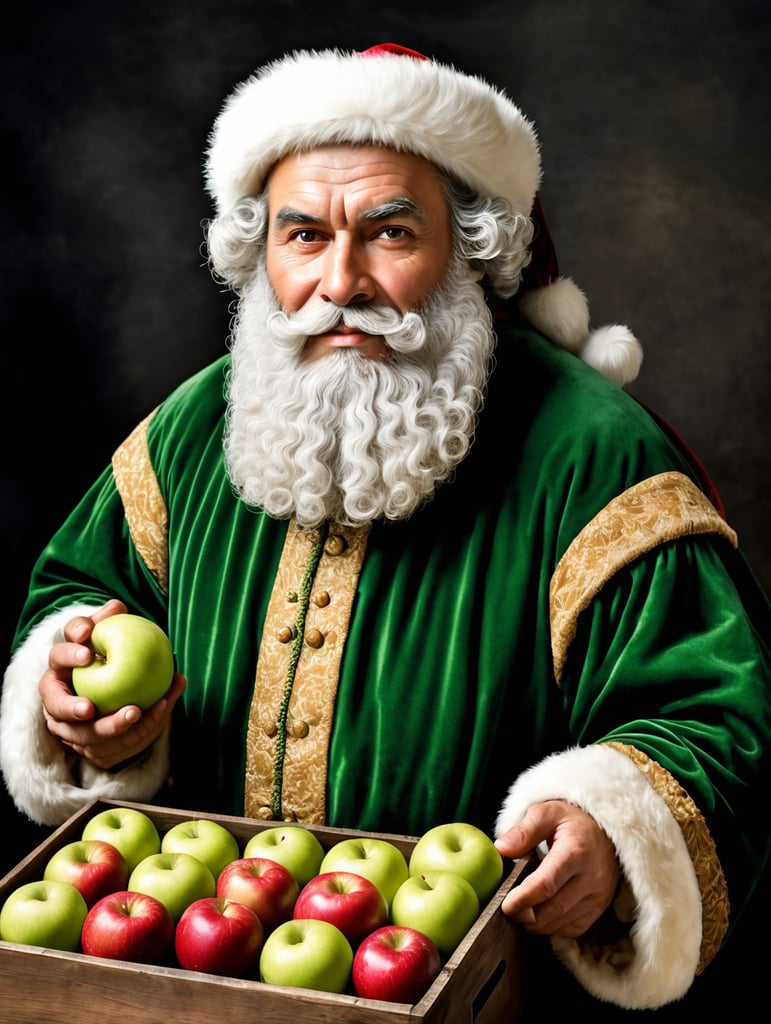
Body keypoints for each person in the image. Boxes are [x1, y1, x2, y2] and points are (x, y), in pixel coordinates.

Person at [1, 42, 769, 1017]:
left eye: (391, 233)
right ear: (260, 250)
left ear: (473, 247)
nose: (342, 281)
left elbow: (723, 717)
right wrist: (70, 692)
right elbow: (80, 590)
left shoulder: (594, 454)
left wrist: (612, 828)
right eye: (304, 236)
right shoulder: (193, 431)